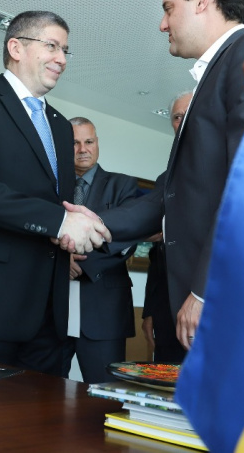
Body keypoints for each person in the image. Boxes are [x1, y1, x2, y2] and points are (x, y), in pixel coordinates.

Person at [71, 0, 244, 354]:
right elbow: (172, 198)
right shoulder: (215, 77)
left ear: (202, 0)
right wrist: (91, 222)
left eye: (169, 8)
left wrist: (206, 292)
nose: (163, 23)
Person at [0, 11, 110, 377]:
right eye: (52, 46)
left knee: (38, 426)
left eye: (65, 50)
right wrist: (61, 220)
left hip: (49, 311)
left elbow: (55, 204)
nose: (61, 59)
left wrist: (75, 224)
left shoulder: (62, 127)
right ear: (16, 47)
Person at [65, 117, 143, 383]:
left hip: (104, 311)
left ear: (97, 144)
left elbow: (127, 236)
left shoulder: (122, 185)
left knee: (104, 397)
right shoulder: (50, 186)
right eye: (74, 143)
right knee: (42, 393)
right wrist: (61, 262)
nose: (82, 149)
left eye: (89, 141)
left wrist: (80, 263)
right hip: (50, 311)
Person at [141, 91, 192, 364]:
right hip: (166, 314)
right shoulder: (166, 179)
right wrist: (151, 311)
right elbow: (158, 256)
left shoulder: (230, 166)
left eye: (189, 114)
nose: (182, 121)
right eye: (176, 117)